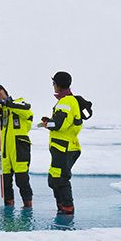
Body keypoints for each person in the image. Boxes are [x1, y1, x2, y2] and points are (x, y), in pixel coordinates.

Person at [0, 84, 33, 207]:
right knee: (5, 181)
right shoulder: (0, 112)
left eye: (0, 92)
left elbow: (27, 111)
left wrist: (6, 103)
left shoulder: (19, 102)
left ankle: (28, 205)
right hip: (4, 150)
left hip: (19, 147)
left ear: (5, 91)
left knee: (22, 180)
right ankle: (9, 205)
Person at [40, 71, 83, 215]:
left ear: (57, 85)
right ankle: (61, 208)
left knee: (60, 179)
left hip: (65, 147)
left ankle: (67, 210)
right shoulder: (68, 100)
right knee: (53, 179)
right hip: (62, 147)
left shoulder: (66, 102)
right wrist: (50, 122)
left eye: (53, 83)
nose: (53, 86)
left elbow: (59, 124)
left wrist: (48, 124)